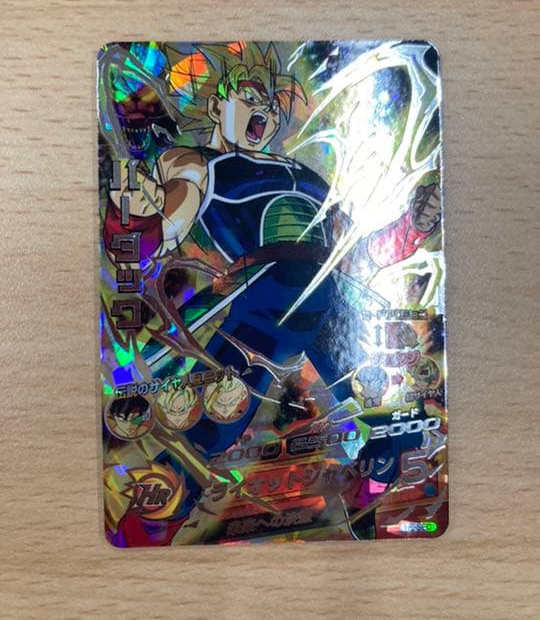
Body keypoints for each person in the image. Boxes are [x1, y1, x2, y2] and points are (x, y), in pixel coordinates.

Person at [104, 42, 441, 545]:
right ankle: (148, 522)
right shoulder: (199, 163)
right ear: (217, 106)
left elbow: (354, 254)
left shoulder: (310, 177)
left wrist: (411, 227)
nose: (264, 111)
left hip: (332, 294)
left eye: (271, 105)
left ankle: (369, 495)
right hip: (271, 292)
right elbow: (167, 225)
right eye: (249, 98)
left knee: (398, 419)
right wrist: (137, 221)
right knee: (216, 419)